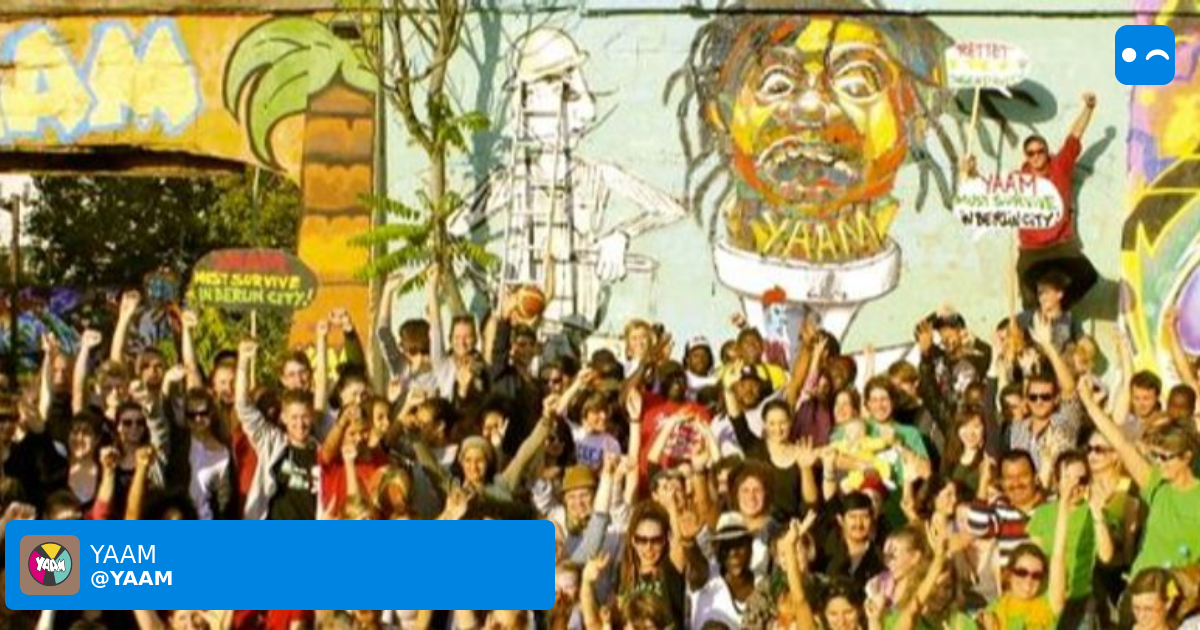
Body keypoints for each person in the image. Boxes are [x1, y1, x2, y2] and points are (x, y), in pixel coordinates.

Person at [1014, 92, 1100, 309]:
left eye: (1040, 151)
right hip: (1031, 248)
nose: (1036, 156)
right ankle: (1035, 320)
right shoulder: (1018, 180)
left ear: (1046, 151)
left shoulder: (1060, 167)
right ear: (1026, 157)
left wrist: (1088, 108)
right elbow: (989, 193)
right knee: (1026, 286)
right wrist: (970, 171)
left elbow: (1075, 136)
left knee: (1087, 275)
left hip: (1061, 244)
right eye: (1031, 153)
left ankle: (1058, 309)